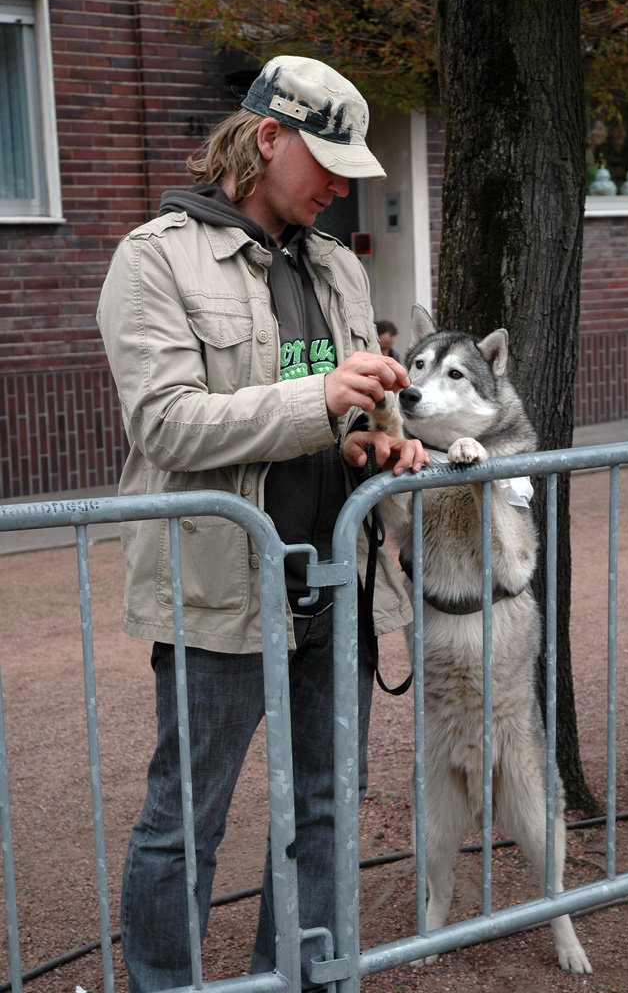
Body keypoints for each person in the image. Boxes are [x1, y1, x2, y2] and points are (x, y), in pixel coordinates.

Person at [97, 55, 429, 993]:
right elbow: (164, 421)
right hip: (223, 592)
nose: (338, 184)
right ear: (266, 138)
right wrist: (318, 398)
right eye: (325, 159)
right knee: (184, 819)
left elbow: (348, 421)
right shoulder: (153, 257)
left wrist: (372, 445)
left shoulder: (333, 264)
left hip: (339, 587)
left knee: (325, 809)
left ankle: (301, 980)